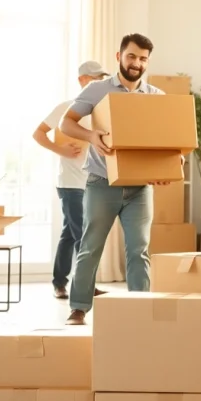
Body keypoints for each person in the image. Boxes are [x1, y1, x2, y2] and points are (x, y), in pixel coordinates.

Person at [59, 33, 179, 325]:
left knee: (139, 249)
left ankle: (140, 308)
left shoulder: (155, 97)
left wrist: (168, 168)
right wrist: (91, 136)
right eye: (131, 56)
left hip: (140, 187)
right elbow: (66, 122)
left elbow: (170, 142)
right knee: (90, 246)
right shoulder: (99, 90)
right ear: (119, 56)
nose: (136, 63)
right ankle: (78, 307)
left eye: (142, 59)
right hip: (102, 182)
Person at [32, 61, 108, 299]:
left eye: (101, 78)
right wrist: (60, 150)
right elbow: (38, 133)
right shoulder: (66, 108)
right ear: (81, 80)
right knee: (83, 235)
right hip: (70, 184)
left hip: (94, 182)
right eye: (94, 78)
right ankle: (85, 286)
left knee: (70, 233)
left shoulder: (101, 111)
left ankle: (59, 281)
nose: (98, 82)